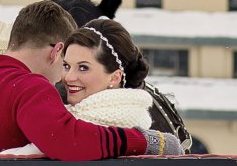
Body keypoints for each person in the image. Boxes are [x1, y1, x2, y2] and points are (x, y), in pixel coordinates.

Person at [0, 1, 180, 159]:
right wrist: (145, 141)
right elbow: (70, 141)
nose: (64, 77)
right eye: (65, 63)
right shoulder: (28, 87)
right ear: (56, 51)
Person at [59, 20, 192, 147]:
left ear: (115, 77)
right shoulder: (59, 115)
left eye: (83, 68)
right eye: (66, 66)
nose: (68, 77)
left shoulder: (137, 140)